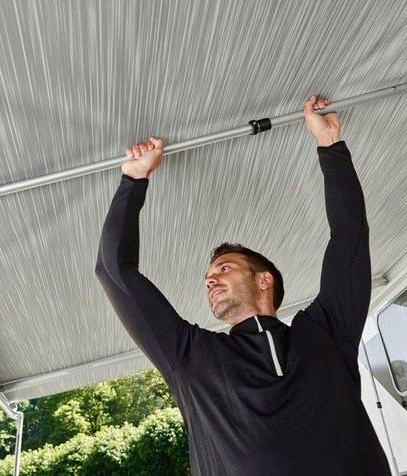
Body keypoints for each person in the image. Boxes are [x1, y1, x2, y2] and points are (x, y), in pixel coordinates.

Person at [95, 96, 391, 475]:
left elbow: (349, 238)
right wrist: (133, 179)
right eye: (209, 275)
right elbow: (114, 272)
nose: (210, 279)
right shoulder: (190, 357)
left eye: (224, 268)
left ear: (264, 280)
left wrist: (330, 145)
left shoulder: (326, 333)